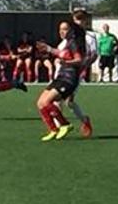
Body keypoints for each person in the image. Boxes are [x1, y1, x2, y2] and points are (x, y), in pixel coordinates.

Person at [35, 20, 85, 141]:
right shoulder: (66, 44)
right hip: (60, 77)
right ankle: (53, 129)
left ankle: (65, 124)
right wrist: (49, 49)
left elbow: (79, 60)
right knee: (40, 103)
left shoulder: (74, 43)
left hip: (69, 79)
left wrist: (66, 62)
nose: (62, 32)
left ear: (71, 31)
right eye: (60, 29)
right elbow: (61, 53)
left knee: (47, 102)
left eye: (65, 29)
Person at [55, 9, 95, 137]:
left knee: (68, 101)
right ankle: (58, 128)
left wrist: (82, 67)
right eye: (75, 19)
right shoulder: (68, 37)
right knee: (57, 101)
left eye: (80, 19)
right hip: (61, 72)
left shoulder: (89, 37)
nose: (77, 22)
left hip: (75, 73)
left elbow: (93, 55)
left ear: (85, 21)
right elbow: (61, 53)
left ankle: (84, 120)